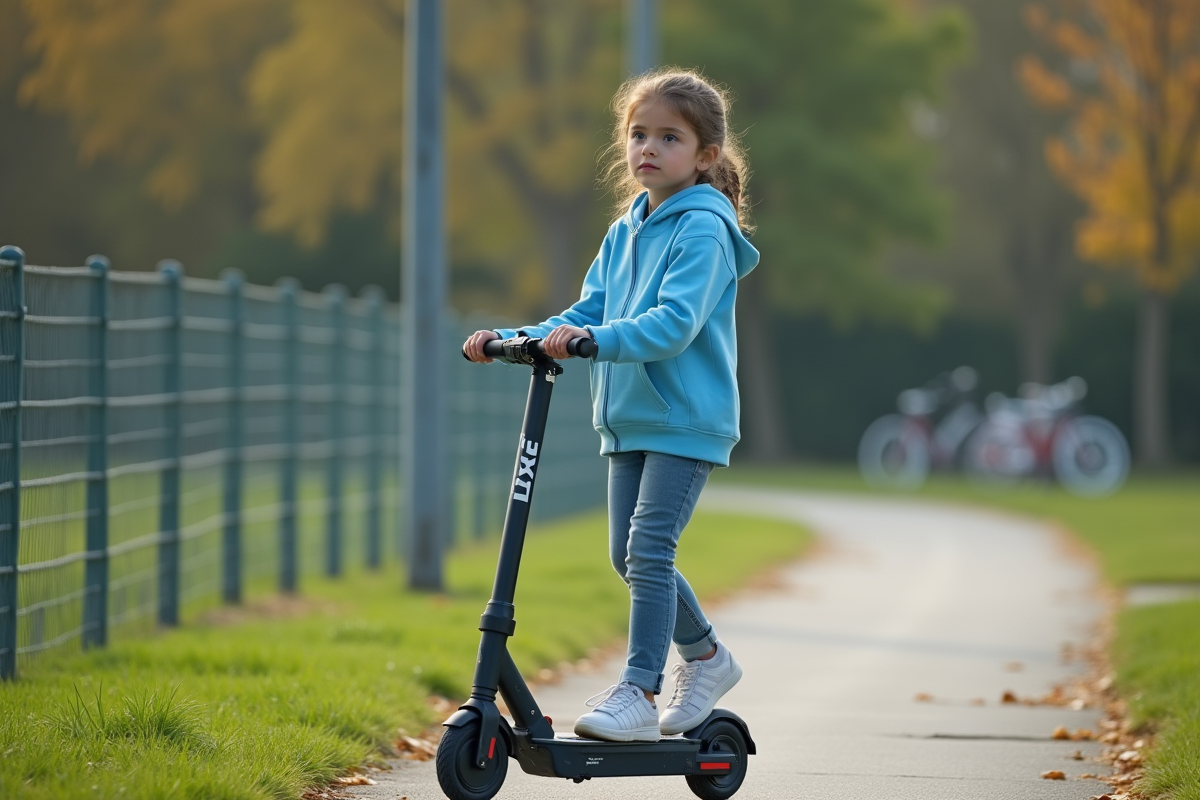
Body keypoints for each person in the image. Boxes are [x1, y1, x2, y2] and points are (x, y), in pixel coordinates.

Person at [463, 68, 759, 743]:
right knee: (628, 556)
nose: (647, 147)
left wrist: (592, 342)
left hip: (684, 417)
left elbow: (672, 324)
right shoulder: (627, 228)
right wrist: (519, 338)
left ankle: (639, 687)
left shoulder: (704, 230)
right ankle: (708, 657)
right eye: (637, 134)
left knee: (648, 549)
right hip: (628, 417)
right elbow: (588, 309)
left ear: (706, 155)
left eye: (669, 137)